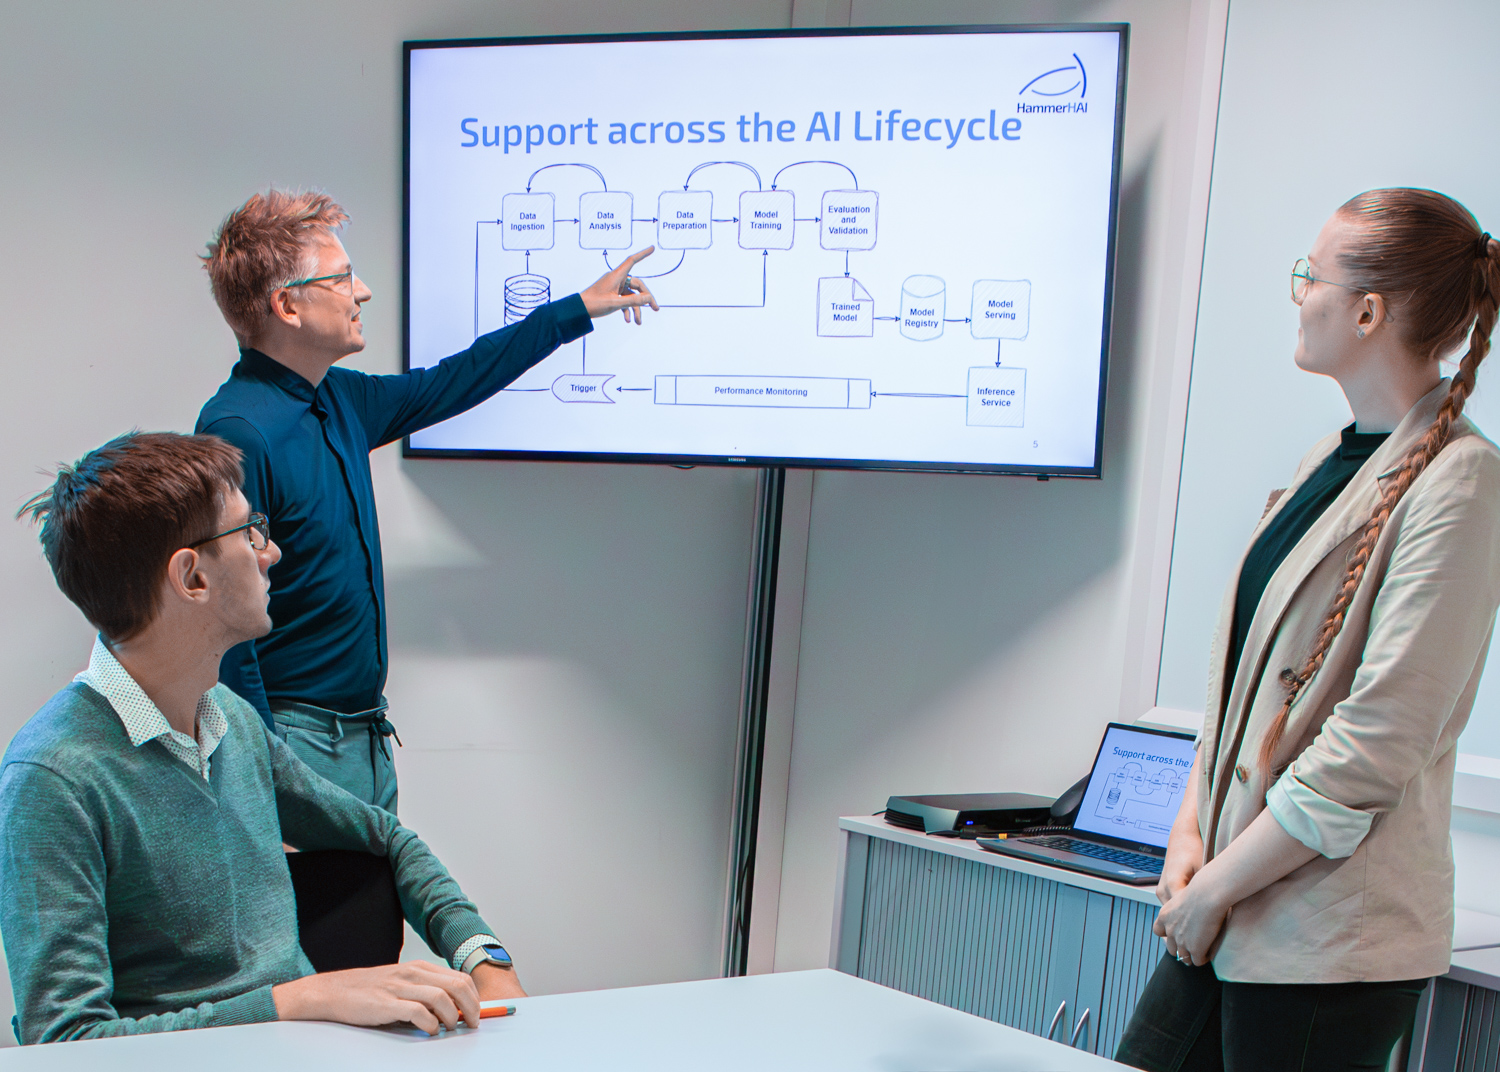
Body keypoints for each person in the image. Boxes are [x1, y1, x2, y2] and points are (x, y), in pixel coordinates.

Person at [1115, 188, 1500, 1070]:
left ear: (1368, 311)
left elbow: (1373, 745)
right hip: (1231, 903)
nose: (1299, 295)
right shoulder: (1327, 463)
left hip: (1324, 947)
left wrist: (1214, 885)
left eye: (1309, 276)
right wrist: (1188, 835)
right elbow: (1243, 688)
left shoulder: (1462, 484)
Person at [1, 432, 525, 1044]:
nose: (271, 552)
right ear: (192, 577)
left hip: (301, 1046)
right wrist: (298, 999)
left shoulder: (231, 720)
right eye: (248, 532)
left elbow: (386, 837)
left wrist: (482, 957)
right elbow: (64, 1041)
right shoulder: (52, 778)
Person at [195, 188, 656, 811]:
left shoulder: (339, 399)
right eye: (344, 278)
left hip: (364, 736)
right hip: (297, 745)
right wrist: (262, 770)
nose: (362, 293)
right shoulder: (239, 431)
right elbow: (225, 624)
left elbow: (451, 381)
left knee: (373, 911)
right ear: (287, 305)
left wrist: (575, 309)